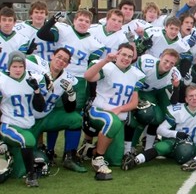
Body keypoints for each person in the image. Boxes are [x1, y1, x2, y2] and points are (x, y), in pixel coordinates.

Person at [121, 85, 196, 172]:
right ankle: (136, 160)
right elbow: (160, 130)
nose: (194, 98)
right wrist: (176, 134)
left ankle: (195, 161)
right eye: (191, 96)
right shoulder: (178, 110)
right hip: (177, 144)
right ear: (186, 99)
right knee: (162, 146)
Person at [83, 43, 145, 180]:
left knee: (115, 160)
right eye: (123, 54)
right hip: (99, 110)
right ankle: (97, 158)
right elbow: (87, 76)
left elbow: (134, 103)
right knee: (112, 121)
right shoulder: (107, 67)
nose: (126, 58)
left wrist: (120, 108)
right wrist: (105, 60)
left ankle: (89, 150)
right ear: (117, 54)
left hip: (118, 116)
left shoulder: (137, 74)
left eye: (130, 56)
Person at [26, 47, 87, 173]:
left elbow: (70, 109)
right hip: (27, 117)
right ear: (52, 56)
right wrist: (45, 73)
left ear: (67, 64)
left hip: (48, 116)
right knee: (25, 155)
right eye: (59, 57)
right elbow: (20, 59)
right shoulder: (38, 63)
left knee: (75, 119)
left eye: (65, 60)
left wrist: (71, 94)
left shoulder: (67, 78)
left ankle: (69, 157)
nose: (61, 61)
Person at [0, 51, 45, 187]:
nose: (18, 69)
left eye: (21, 66)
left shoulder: (32, 79)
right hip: (9, 125)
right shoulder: (2, 80)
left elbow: (40, 108)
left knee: (35, 163)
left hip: (27, 125)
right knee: (28, 140)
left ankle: (11, 156)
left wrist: (36, 90)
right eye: (14, 66)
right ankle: (31, 176)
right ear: (8, 67)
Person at [131, 49, 181, 152]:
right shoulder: (146, 62)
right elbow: (131, 77)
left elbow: (173, 101)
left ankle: (149, 147)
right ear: (161, 57)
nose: (168, 65)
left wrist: (176, 87)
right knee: (145, 114)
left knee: (161, 116)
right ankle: (131, 146)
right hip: (138, 90)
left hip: (154, 92)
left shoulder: (174, 74)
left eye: (172, 63)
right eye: (166, 61)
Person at [0, 6, 33, 72]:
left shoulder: (22, 40)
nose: (7, 23)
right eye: (4, 20)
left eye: (10, 20)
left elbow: (19, 62)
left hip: (11, 77)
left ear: (14, 22)